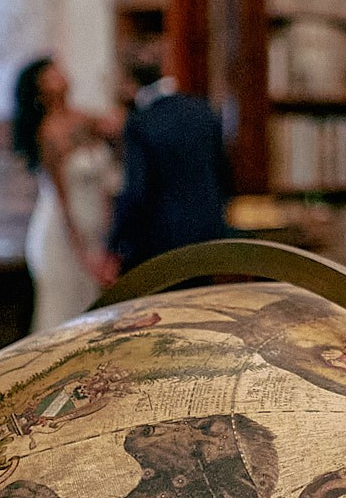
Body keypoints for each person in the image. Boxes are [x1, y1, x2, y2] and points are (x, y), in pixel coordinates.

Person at [13, 56, 121, 333]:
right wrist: (85, 254)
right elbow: (63, 201)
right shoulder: (48, 132)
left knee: (93, 316)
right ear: (40, 87)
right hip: (61, 236)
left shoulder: (84, 118)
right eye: (51, 73)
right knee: (61, 317)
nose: (60, 75)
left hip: (94, 231)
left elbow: (118, 128)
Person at [108, 61, 232, 276]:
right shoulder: (202, 110)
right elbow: (224, 175)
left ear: (129, 83)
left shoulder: (141, 123)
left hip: (160, 244)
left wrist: (116, 244)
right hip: (208, 236)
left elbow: (137, 192)